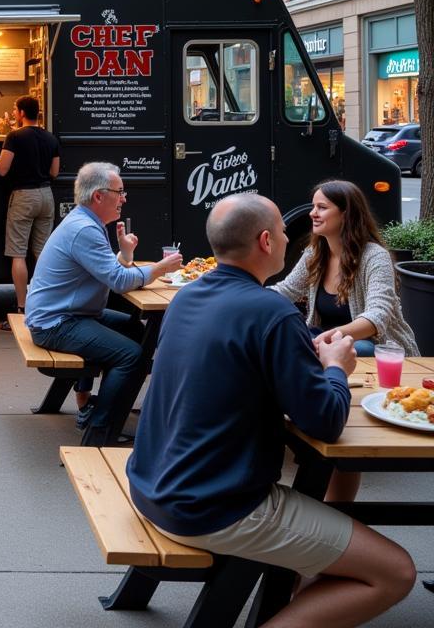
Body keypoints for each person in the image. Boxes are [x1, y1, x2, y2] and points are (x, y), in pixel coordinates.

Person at [127, 193, 415, 628]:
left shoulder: (186, 299)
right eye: (282, 230)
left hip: (151, 483)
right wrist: (337, 368)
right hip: (213, 506)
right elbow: (325, 421)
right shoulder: (273, 315)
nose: (288, 237)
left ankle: (300, 581)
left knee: (323, 538)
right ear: (266, 241)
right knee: (396, 572)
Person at [24, 162, 183, 446]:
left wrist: (124, 254)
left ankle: (107, 407)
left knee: (139, 333)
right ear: (99, 196)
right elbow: (120, 282)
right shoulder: (85, 229)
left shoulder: (84, 222)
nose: (123, 198)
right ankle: (101, 428)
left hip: (65, 315)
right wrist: (161, 268)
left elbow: (111, 272)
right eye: (119, 192)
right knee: (132, 355)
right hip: (57, 323)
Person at [271, 180, 418, 359]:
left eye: (322, 207)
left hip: (376, 347)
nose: (312, 213)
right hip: (326, 342)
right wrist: (244, 296)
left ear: (345, 214)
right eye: (313, 207)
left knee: (357, 348)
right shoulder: (315, 253)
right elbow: (286, 290)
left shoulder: (375, 256)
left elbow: (377, 316)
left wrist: (331, 336)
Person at [0, 94, 60, 330]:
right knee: (44, 253)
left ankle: (22, 309)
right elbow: (55, 171)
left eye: (15, 109)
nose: (13, 113)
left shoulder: (14, 136)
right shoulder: (50, 137)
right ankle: (46, 306)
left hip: (23, 196)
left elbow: (2, 169)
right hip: (46, 195)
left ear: (22, 113)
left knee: (18, 253)